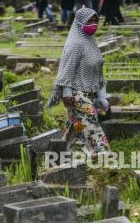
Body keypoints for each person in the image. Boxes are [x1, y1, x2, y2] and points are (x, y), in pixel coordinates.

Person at [47, 8, 110, 156]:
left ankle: (64, 146)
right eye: (90, 20)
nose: (94, 24)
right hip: (75, 92)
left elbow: (98, 69)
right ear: (80, 22)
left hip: (89, 90)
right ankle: (101, 151)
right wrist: (67, 93)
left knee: (77, 123)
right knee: (90, 119)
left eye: (96, 20)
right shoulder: (74, 45)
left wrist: (101, 94)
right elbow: (66, 71)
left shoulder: (91, 42)